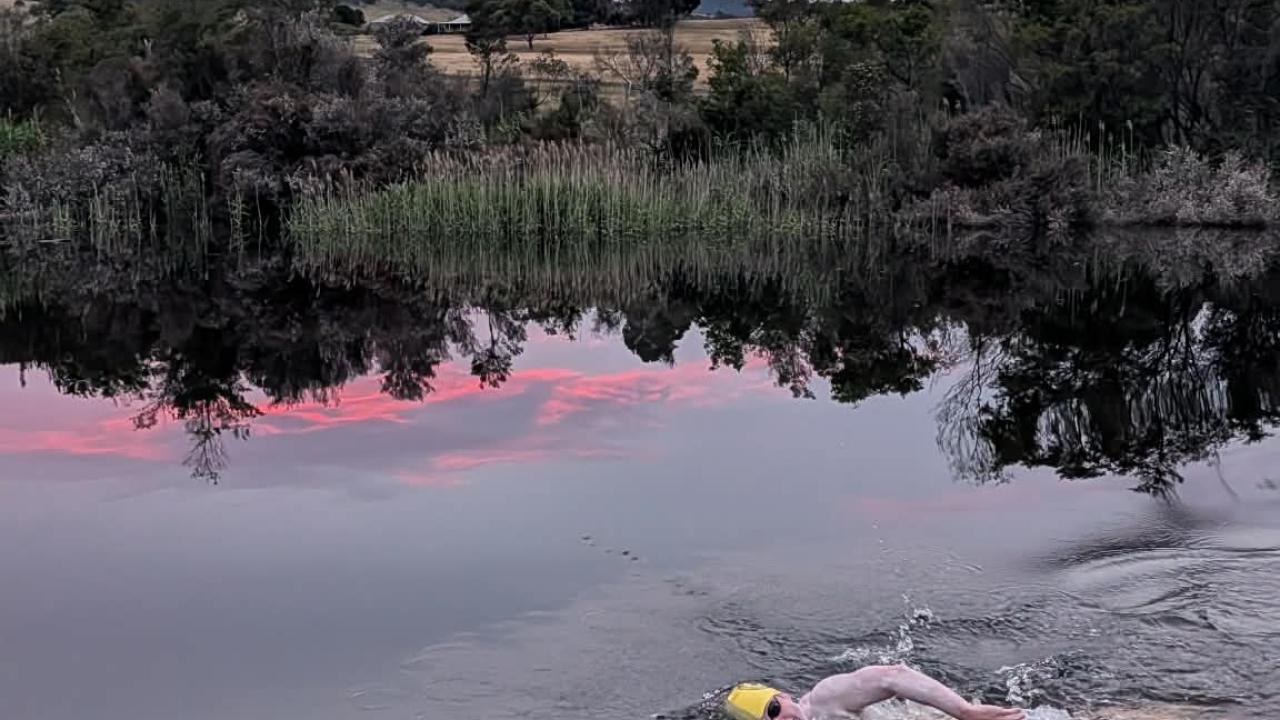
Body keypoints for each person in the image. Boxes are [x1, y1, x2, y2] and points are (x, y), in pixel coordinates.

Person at [723, 664, 1026, 720]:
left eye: (774, 709)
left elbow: (892, 676)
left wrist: (964, 712)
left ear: (784, 696)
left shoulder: (826, 700)